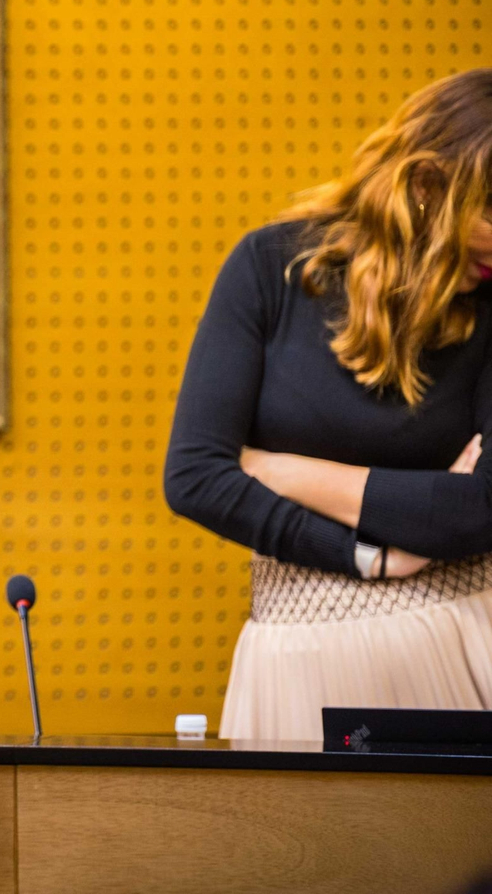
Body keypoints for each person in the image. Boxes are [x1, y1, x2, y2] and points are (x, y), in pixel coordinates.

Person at [164, 68, 492, 741]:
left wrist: (278, 472)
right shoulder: (270, 268)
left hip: (465, 647)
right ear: (426, 187)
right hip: (297, 663)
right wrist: (370, 557)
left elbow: (480, 510)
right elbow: (193, 478)